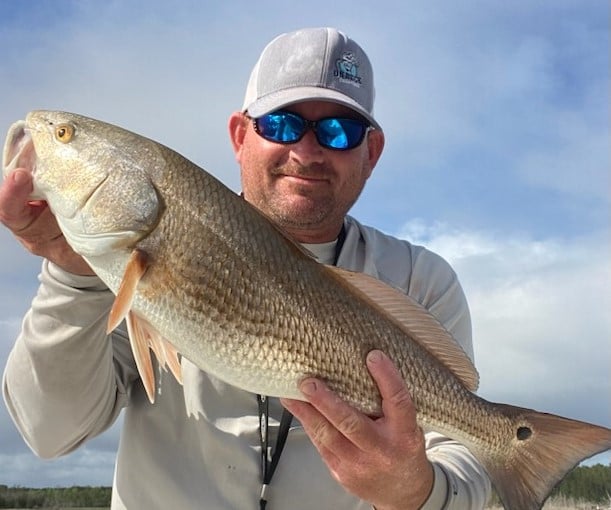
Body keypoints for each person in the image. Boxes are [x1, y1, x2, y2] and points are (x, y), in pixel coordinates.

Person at [1, 27, 491, 509]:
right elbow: (51, 433)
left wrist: (415, 492)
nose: (306, 151)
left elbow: (468, 454)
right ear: (240, 136)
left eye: (339, 131)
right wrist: (71, 275)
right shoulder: (116, 266)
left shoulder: (419, 280)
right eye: (280, 124)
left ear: (372, 153)